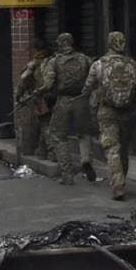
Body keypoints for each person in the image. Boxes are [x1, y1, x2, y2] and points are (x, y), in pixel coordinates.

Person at [84, 31, 136, 200]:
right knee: (123, 149)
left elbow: (87, 88)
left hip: (107, 111)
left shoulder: (99, 64)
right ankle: (122, 179)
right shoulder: (133, 64)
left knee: (112, 148)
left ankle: (118, 185)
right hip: (127, 112)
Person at [36, 33, 95, 185]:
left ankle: (67, 174)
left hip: (63, 101)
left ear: (59, 44)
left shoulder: (54, 61)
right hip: (81, 100)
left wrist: (40, 91)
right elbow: (94, 77)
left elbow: (48, 84)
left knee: (57, 135)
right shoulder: (84, 59)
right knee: (84, 134)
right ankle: (86, 159)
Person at [16, 37, 55, 160]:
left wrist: (18, 96)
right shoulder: (53, 60)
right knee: (46, 123)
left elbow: (24, 81)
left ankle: (52, 152)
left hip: (40, 97)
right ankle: (42, 151)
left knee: (45, 124)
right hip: (55, 96)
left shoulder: (34, 64)